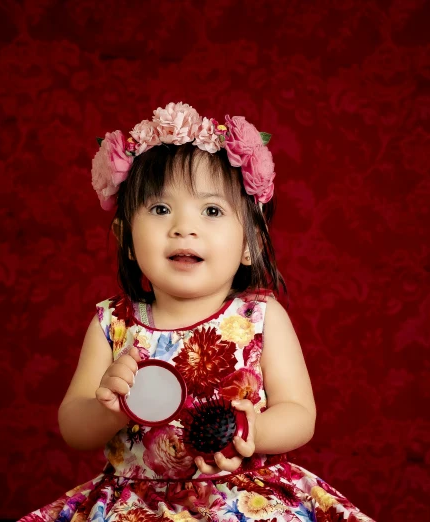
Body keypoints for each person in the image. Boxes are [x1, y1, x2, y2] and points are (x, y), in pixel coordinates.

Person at [20, 103, 374, 522]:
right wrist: (106, 408)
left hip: (242, 498)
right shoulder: (113, 323)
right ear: (126, 240)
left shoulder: (260, 318)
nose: (184, 228)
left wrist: (251, 432)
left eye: (211, 211)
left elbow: (299, 413)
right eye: (160, 209)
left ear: (251, 244)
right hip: (137, 503)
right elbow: (73, 427)